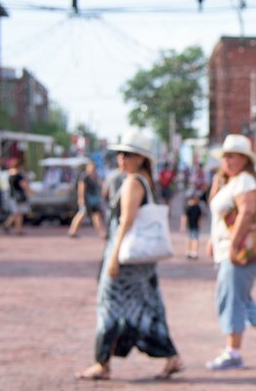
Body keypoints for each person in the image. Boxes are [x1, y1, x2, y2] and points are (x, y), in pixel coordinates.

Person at [76, 132, 183, 381]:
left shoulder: (133, 182)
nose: (121, 159)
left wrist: (113, 257)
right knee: (147, 306)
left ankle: (102, 363)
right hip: (140, 260)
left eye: (127, 155)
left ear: (141, 158)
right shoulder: (144, 180)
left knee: (109, 307)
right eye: (120, 154)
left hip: (126, 258)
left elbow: (126, 221)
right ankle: (171, 356)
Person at [205, 134, 256, 370]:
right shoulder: (230, 182)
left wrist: (233, 243)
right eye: (225, 157)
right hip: (228, 248)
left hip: (241, 249)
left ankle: (233, 352)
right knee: (241, 297)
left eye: (232, 156)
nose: (227, 161)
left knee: (230, 298)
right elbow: (218, 215)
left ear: (244, 160)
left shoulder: (244, 181)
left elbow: (247, 212)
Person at [69, 161, 106, 239]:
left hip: (94, 201)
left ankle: (101, 232)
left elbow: (100, 185)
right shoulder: (85, 176)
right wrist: (81, 199)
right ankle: (72, 231)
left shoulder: (95, 176)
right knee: (82, 215)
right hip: (86, 200)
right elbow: (81, 188)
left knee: (96, 216)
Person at [3, 159, 30, 236]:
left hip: (11, 195)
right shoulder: (19, 175)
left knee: (15, 213)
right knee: (19, 213)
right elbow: (24, 185)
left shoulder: (9, 174)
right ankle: (18, 229)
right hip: (19, 196)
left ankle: (7, 225)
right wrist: (30, 191)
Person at [180, 194, 203, 259]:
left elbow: (200, 217)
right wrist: (183, 226)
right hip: (190, 226)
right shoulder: (188, 208)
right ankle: (189, 251)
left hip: (195, 226)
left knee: (194, 239)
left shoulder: (197, 208)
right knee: (190, 239)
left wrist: (200, 223)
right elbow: (184, 217)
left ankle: (194, 252)